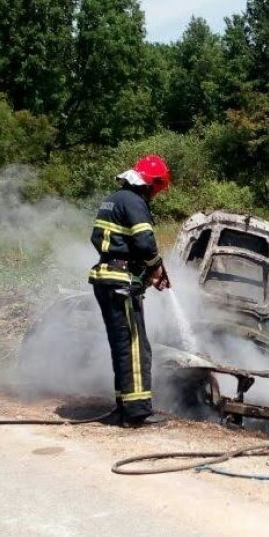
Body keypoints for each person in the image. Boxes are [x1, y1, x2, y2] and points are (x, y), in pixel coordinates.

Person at [88, 155, 172, 427]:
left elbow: (105, 239)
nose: (155, 195)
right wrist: (156, 267)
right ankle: (137, 413)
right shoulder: (135, 202)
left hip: (106, 278)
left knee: (121, 345)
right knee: (136, 347)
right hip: (121, 282)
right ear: (151, 184)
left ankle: (123, 407)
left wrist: (147, 271)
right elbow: (145, 242)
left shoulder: (113, 199)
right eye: (157, 189)